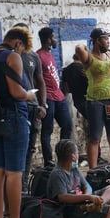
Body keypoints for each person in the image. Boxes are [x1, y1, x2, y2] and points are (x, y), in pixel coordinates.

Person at [0, 26, 38, 218]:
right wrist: (30, 95)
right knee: (14, 173)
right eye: (23, 49)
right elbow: (17, 93)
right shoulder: (12, 57)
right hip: (13, 117)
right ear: (18, 43)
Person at [46, 139, 110, 218]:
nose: (78, 155)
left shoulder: (74, 169)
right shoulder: (57, 174)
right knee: (109, 211)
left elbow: (86, 186)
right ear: (73, 157)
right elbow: (62, 197)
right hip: (70, 209)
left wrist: (90, 198)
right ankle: (95, 205)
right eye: (77, 153)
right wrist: (87, 197)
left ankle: (98, 204)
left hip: (83, 201)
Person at [75, 28, 110, 168]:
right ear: (97, 41)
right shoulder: (89, 58)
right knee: (95, 138)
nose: (108, 42)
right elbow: (78, 48)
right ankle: (93, 171)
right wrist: (87, 45)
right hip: (95, 103)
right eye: (105, 39)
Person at [13, 23, 47, 193]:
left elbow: (40, 81)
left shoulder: (33, 57)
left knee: (30, 149)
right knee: (19, 149)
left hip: (33, 108)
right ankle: (17, 188)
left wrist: (43, 104)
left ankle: (24, 187)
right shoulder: (9, 56)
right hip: (17, 108)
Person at [37, 27, 73, 167]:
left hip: (59, 96)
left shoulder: (50, 54)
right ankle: (48, 161)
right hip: (48, 98)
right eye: (53, 37)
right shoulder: (38, 55)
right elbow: (38, 79)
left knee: (67, 125)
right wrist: (41, 101)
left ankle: (63, 157)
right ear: (47, 39)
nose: (55, 40)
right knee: (47, 129)